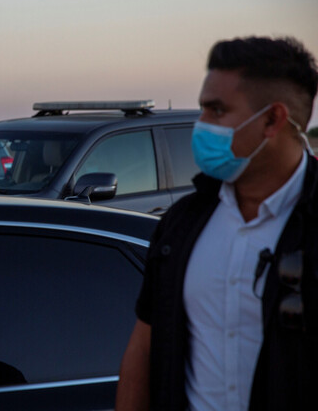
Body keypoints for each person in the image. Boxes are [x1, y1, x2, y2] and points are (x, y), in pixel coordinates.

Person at [115, 36, 318, 411]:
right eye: (203, 110)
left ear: (272, 119)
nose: (201, 124)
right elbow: (144, 347)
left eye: (217, 111)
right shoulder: (182, 223)